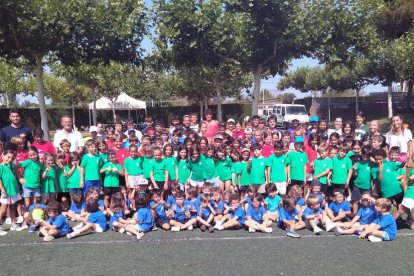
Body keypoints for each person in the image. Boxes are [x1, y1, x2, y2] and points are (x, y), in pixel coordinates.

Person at [0, 149, 24, 234]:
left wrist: (20, 179)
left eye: (12, 158)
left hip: (14, 190)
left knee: (13, 206)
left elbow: (16, 173)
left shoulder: (12, 165)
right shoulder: (0, 167)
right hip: (6, 191)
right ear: (3, 156)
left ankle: (13, 224)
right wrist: (3, 191)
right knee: (3, 209)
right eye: (8, 157)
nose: (10, 159)